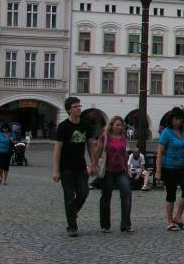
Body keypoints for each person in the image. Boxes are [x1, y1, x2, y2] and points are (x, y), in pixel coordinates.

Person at [52, 97, 93, 237]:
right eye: (76, 106)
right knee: (69, 196)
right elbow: (57, 149)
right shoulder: (63, 126)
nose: (79, 108)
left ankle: (72, 213)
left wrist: (93, 164)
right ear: (69, 109)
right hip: (66, 168)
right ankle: (72, 226)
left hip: (80, 166)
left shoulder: (86, 125)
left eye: (79, 106)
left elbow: (90, 146)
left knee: (84, 192)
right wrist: (56, 170)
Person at [154, 107, 184, 232]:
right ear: (171, 119)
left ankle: (178, 216)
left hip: (182, 166)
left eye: (180, 119)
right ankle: (170, 221)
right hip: (169, 167)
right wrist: (158, 171)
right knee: (171, 194)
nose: (178, 121)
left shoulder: (183, 131)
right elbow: (159, 153)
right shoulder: (166, 132)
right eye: (176, 119)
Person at [95, 116, 133, 233]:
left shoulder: (123, 138)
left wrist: (127, 170)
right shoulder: (105, 137)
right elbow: (98, 153)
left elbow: (125, 155)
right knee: (106, 197)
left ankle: (125, 224)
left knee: (127, 194)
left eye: (121, 125)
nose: (119, 127)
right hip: (108, 171)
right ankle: (105, 225)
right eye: (117, 125)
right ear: (111, 125)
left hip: (121, 170)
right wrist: (95, 166)